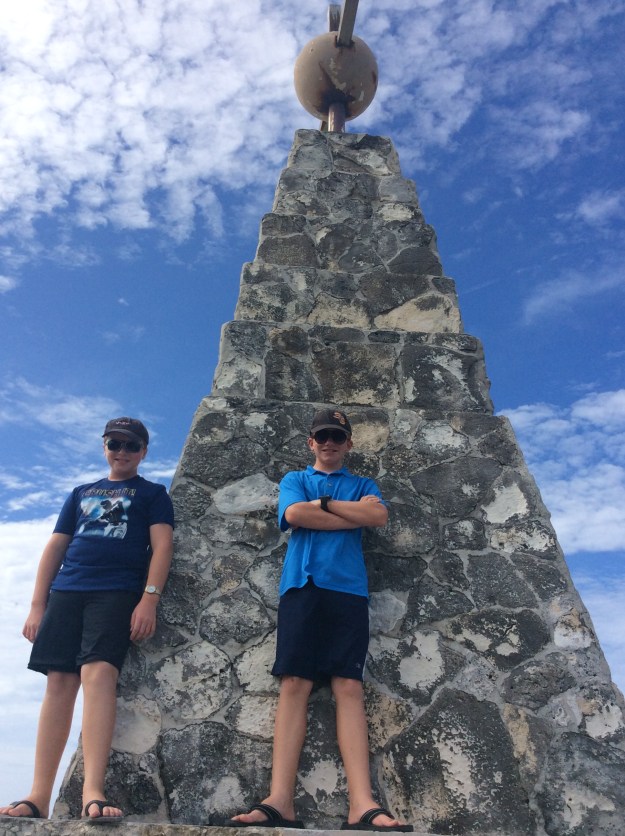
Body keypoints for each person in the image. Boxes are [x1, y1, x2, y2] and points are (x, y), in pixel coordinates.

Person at [229, 408, 412, 832]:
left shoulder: (364, 485)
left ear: (349, 443)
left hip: (348, 590)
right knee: (295, 683)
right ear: (311, 442)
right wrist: (348, 514)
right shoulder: (295, 480)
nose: (329, 443)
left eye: (337, 436)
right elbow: (294, 516)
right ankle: (280, 801)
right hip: (302, 586)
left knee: (348, 686)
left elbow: (378, 517)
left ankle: (362, 804)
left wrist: (325, 505)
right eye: (322, 436)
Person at [0, 417, 174, 825]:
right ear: (104, 446)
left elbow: (162, 546)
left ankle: (92, 790)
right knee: (58, 683)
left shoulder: (153, 493)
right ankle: (38, 796)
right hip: (67, 591)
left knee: (98, 676)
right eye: (114, 444)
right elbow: (56, 547)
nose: (122, 451)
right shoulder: (80, 492)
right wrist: (37, 605)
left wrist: (149, 599)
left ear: (144, 452)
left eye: (131, 445)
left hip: (116, 592)